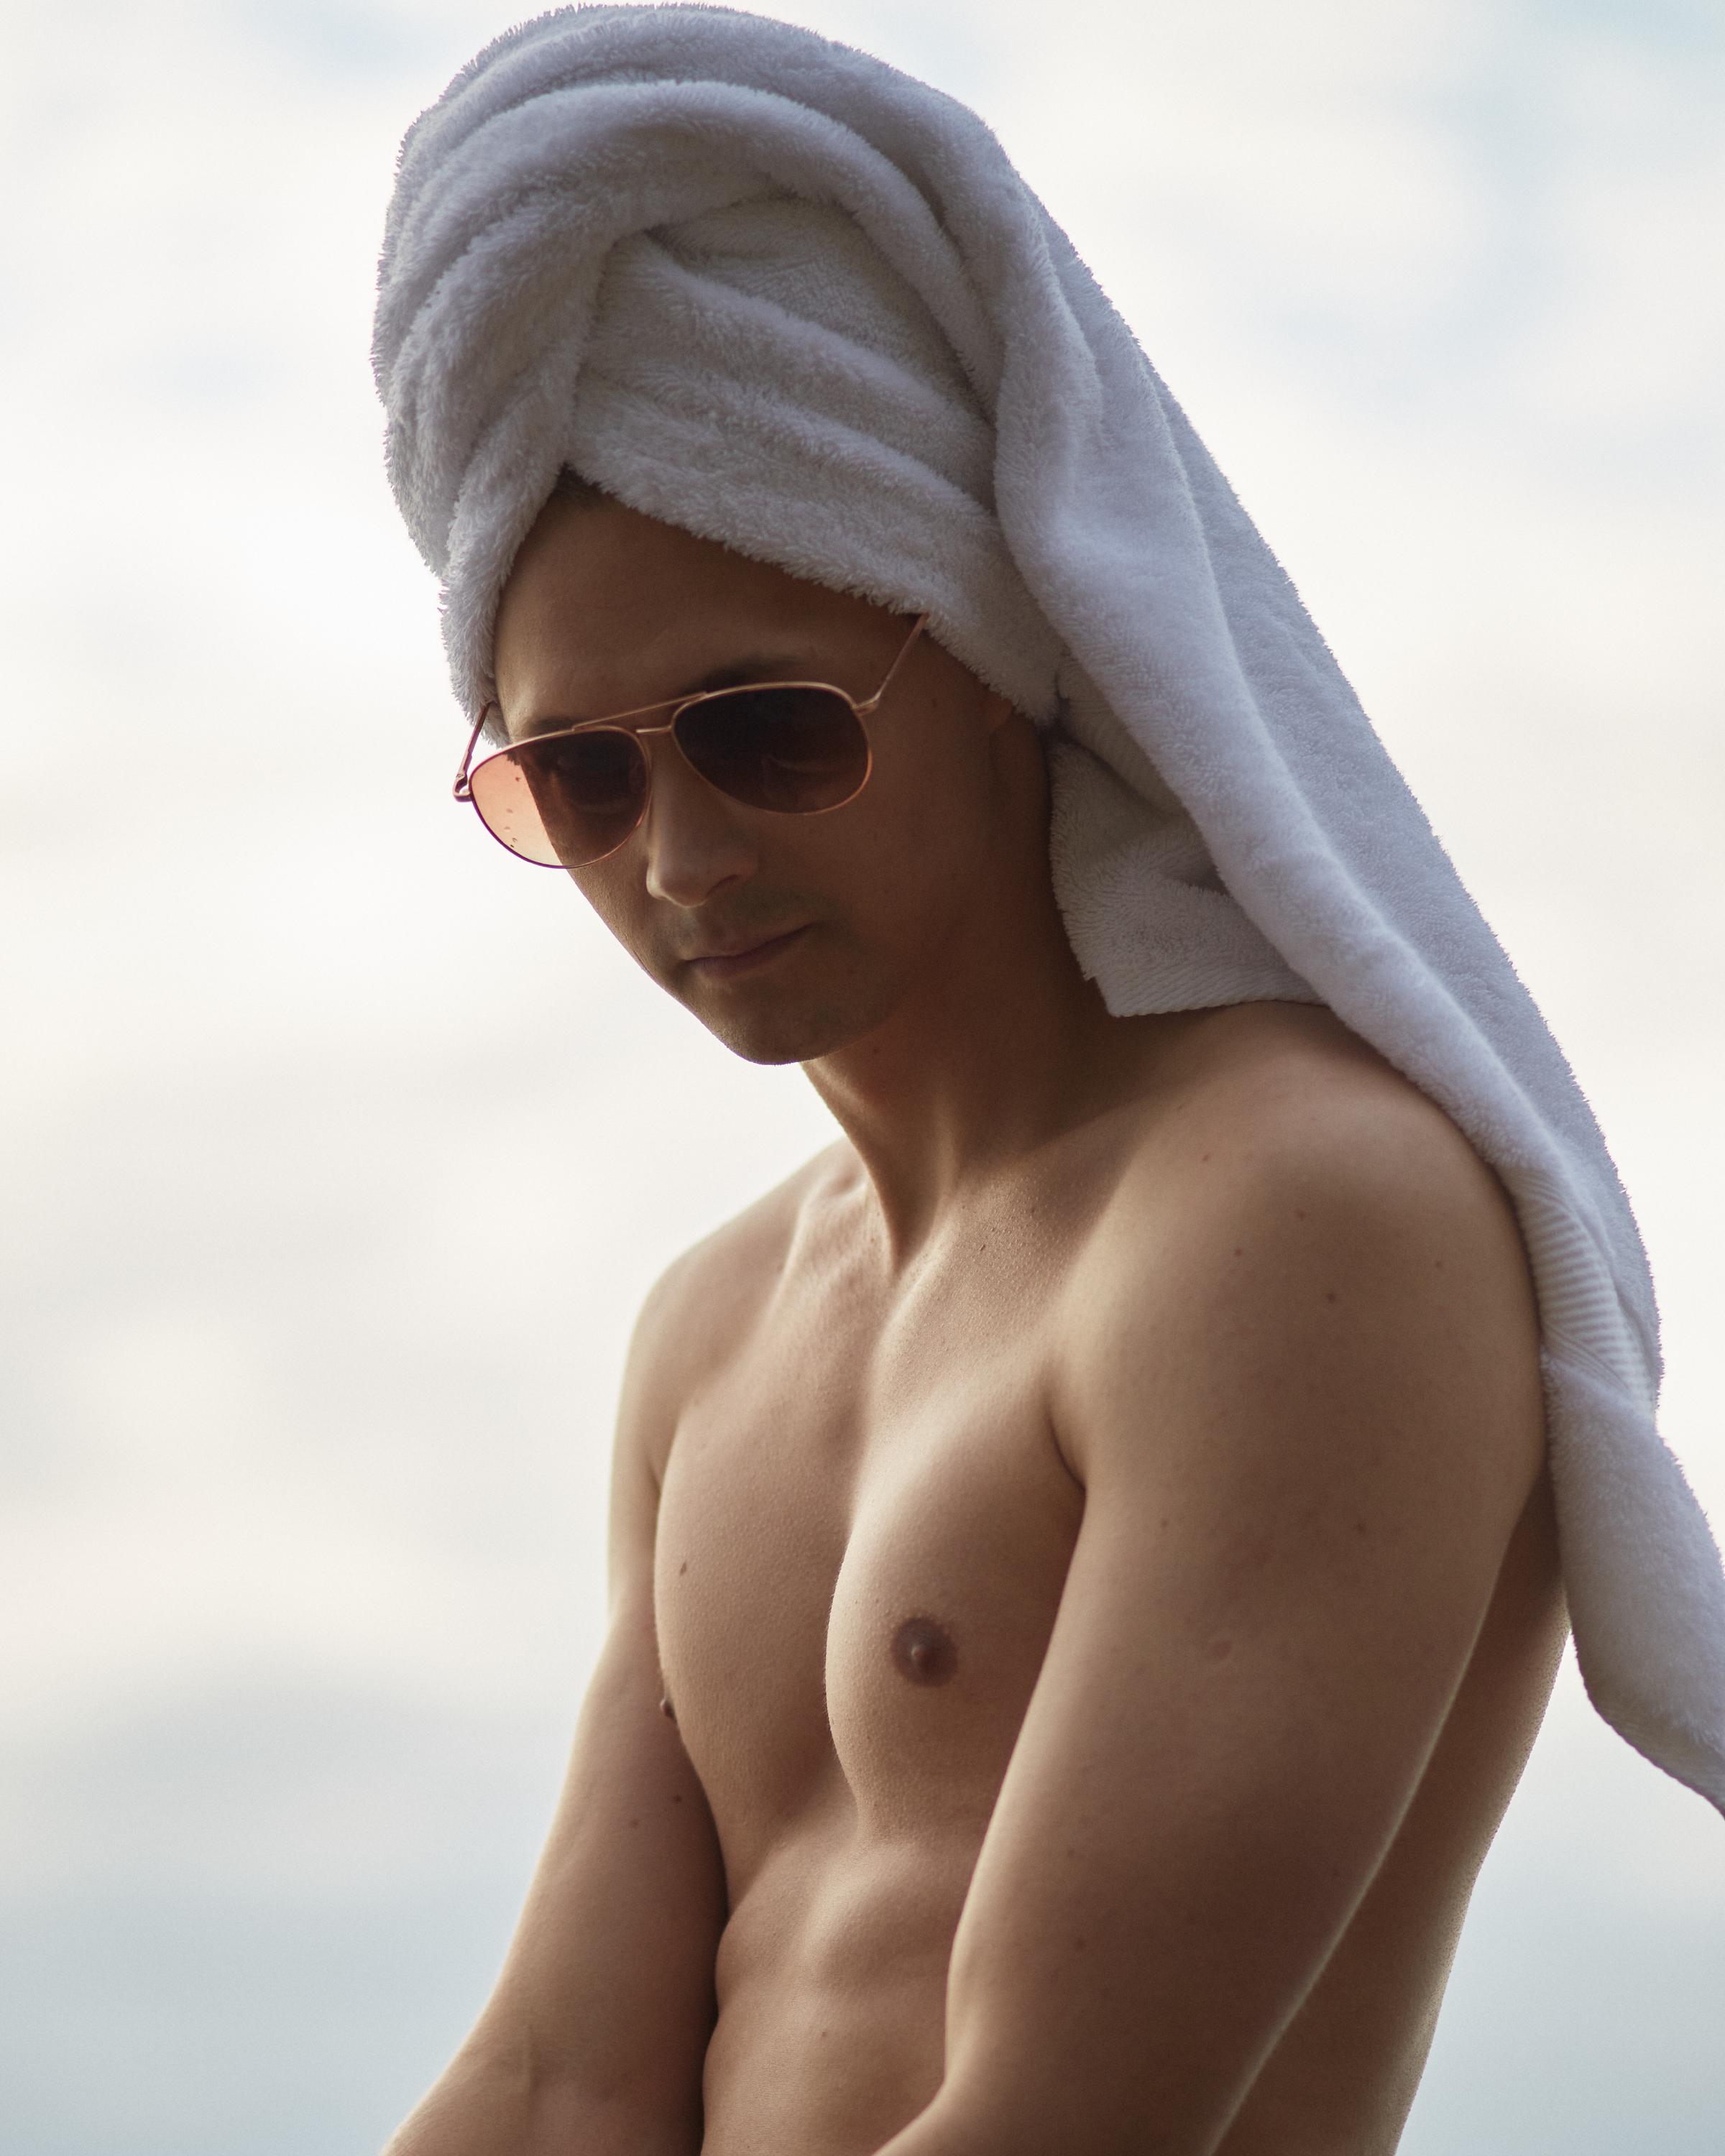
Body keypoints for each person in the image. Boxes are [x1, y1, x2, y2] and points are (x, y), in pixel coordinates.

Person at [371, 11, 1725, 2154]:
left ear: (998, 661)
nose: (685, 857)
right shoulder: (713, 1329)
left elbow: (1067, 2120)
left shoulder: (1298, 1216)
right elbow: (563, 2081)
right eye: (581, 778)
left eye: (769, 728)